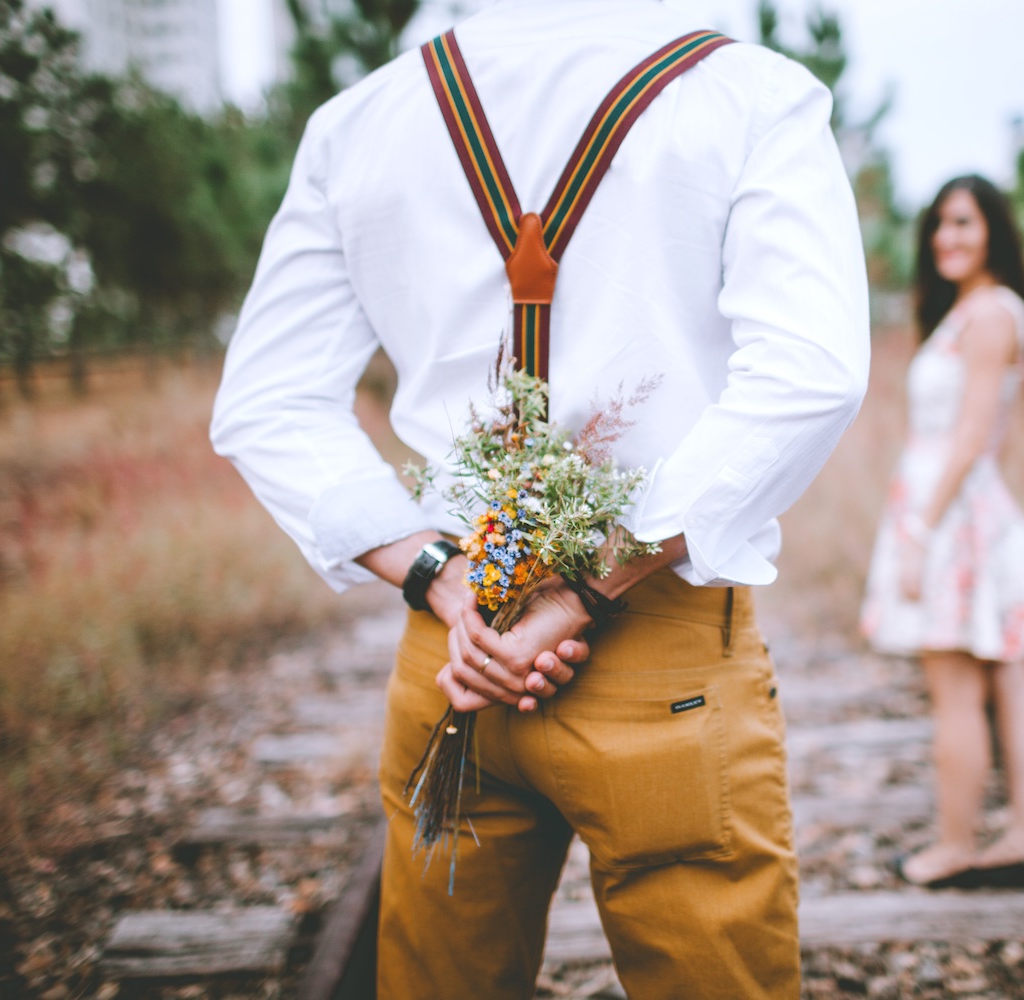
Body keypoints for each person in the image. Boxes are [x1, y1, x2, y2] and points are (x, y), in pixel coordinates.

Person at [210, 1, 869, 996]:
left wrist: (443, 576)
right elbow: (809, 373)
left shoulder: (361, 122)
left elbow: (266, 400)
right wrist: (581, 590)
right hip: (658, 647)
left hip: (456, 656)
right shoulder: (748, 93)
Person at [859, 175, 1024, 889]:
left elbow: (974, 432)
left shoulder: (988, 316)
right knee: (1008, 674)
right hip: (965, 507)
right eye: (938, 226)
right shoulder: (980, 311)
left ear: (993, 231)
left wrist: (920, 528)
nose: (946, 238)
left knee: (956, 688)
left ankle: (955, 847)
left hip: (950, 516)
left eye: (962, 223)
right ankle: (1022, 835)